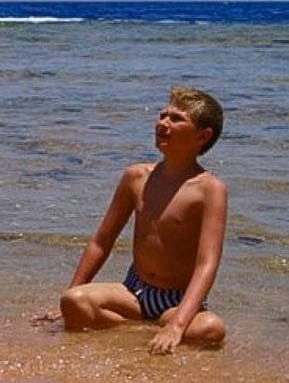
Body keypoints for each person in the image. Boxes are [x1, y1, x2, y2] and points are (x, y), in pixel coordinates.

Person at [52, 87, 229, 354]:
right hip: (134, 291)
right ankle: (143, 332)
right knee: (73, 301)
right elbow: (101, 242)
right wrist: (69, 296)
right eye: (162, 115)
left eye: (176, 119)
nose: (163, 123)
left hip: (176, 301)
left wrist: (178, 325)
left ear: (203, 136)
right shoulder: (136, 177)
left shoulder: (210, 189)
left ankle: (151, 329)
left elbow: (207, 264)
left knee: (212, 329)